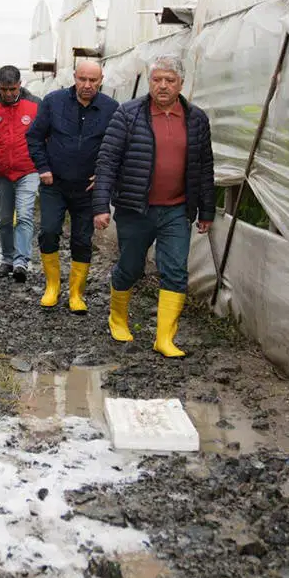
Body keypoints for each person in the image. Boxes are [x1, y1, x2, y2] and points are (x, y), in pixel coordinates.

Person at [93, 56, 214, 357]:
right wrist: (101, 205)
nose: (162, 85)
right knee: (131, 268)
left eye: (169, 80)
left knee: (175, 270)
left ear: (181, 84)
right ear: (150, 82)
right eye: (157, 79)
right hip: (137, 208)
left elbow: (205, 166)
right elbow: (107, 160)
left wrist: (207, 210)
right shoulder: (129, 114)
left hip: (177, 208)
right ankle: (118, 317)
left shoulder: (196, 119)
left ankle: (164, 338)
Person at [26, 60, 117, 314]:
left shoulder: (110, 109)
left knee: (82, 238)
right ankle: (52, 286)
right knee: (49, 230)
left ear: (101, 80)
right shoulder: (54, 102)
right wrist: (42, 167)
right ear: (74, 77)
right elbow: (34, 136)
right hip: (54, 183)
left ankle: (76, 293)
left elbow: (117, 147)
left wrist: (103, 175)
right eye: (82, 79)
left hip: (88, 189)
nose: (87, 85)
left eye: (93, 80)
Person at [0, 65, 41, 282]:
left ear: (20, 84)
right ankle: (7, 258)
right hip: (2, 172)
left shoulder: (35, 105)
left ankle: (21, 262)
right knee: (4, 219)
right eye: (4, 89)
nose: (8, 94)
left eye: (12, 89)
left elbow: (44, 136)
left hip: (28, 170)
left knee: (24, 215)